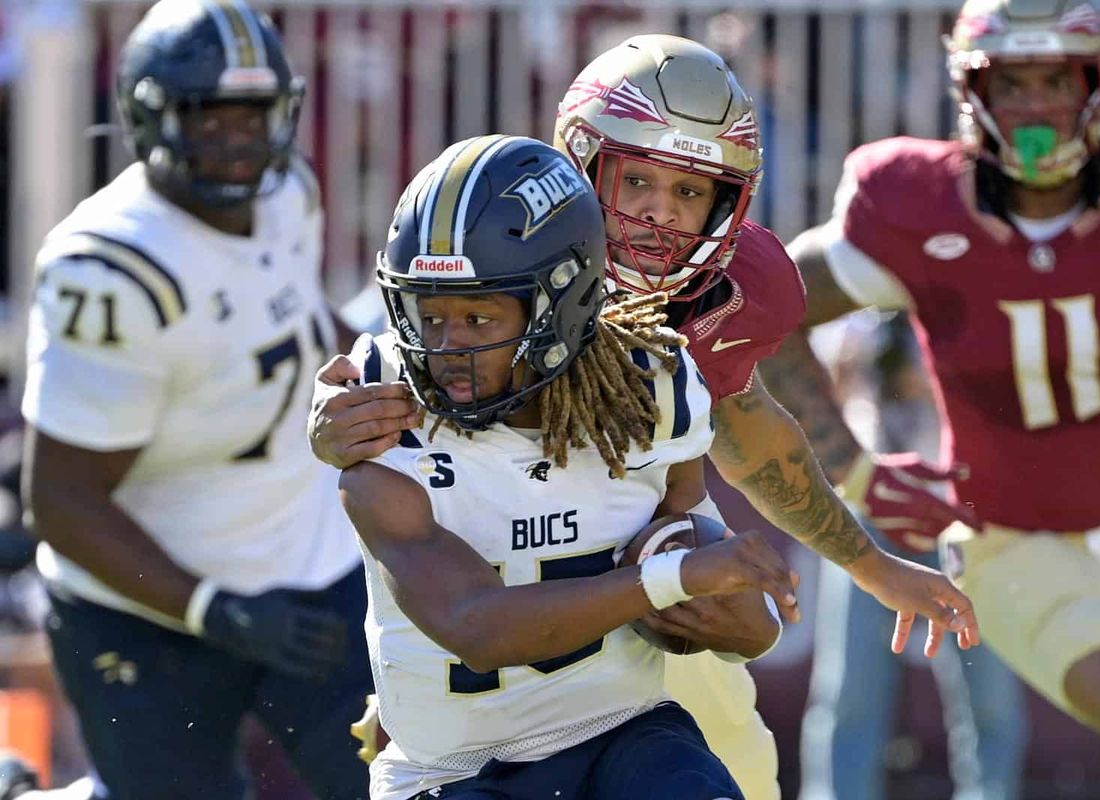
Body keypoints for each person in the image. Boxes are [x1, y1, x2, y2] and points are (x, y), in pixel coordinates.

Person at [310, 34, 980, 800]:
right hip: (482, 645)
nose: (660, 219)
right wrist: (331, 414)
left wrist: (868, 565)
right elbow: (403, 332)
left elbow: (751, 435)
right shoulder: (495, 236)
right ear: (579, 165)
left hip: (623, 658)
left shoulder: (716, 310)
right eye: (638, 183)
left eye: (690, 193)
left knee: (741, 771)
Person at [784, 0, 1100, 796]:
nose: (1036, 104)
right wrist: (854, 472)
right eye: (1012, 82)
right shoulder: (915, 205)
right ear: (974, 89)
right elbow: (762, 317)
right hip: (1005, 536)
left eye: (1055, 78)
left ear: (1099, 81)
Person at [343, 133, 800, 800]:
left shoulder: (652, 391)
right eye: (428, 314)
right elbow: (477, 628)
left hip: (622, 737)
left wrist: (739, 609)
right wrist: (666, 578)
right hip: (457, 771)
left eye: (477, 315)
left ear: (564, 301)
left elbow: (741, 628)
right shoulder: (379, 414)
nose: (446, 348)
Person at [16, 1, 372, 798]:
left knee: (401, 784)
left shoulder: (288, 196)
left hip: (309, 566)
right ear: (149, 117)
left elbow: (298, 325)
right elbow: (62, 501)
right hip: (147, 610)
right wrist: (212, 609)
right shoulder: (110, 269)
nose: (237, 142)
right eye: (209, 118)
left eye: (251, 117)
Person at [775, 317, 1027, 800]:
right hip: (868, 513)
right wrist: (852, 365)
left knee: (986, 692)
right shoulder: (856, 306)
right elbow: (806, 394)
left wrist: (934, 375)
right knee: (850, 687)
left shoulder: (968, 303)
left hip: (964, 513)